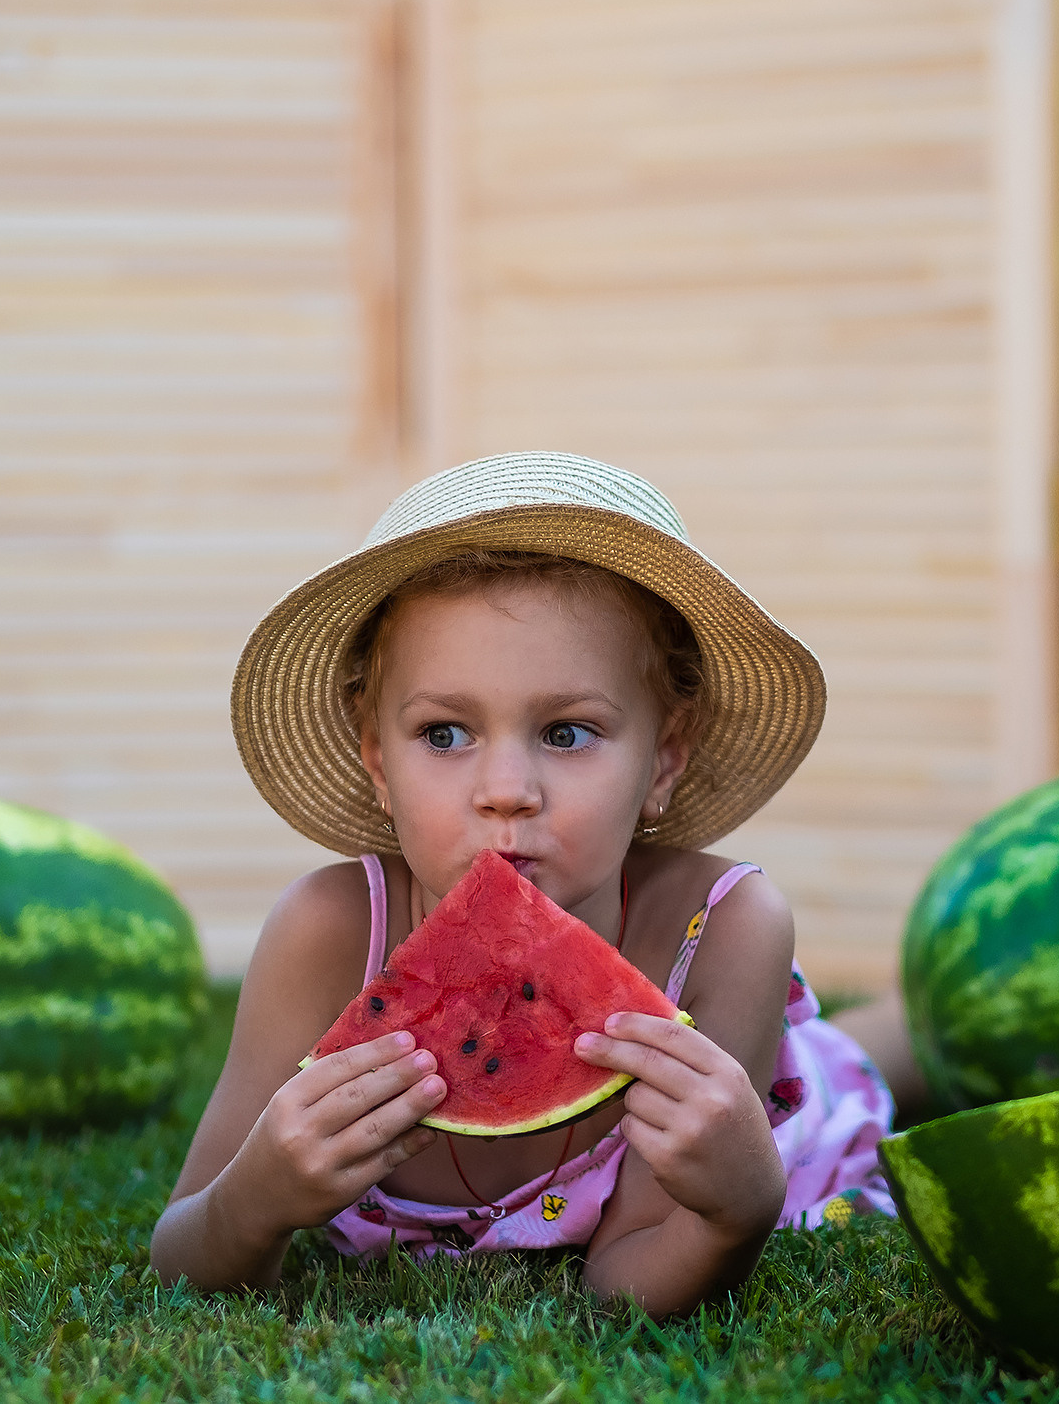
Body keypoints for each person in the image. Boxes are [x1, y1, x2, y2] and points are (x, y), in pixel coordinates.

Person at [150, 451, 911, 1315]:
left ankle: (909, 1036)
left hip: (766, 1110)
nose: (506, 787)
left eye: (566, 732)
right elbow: (183, 1247)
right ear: (377, 762)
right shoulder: (326, 934)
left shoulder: (728, 925)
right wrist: (255, 1200)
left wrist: (734, 1213)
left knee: (854, 1073)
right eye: (443, 734)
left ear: (664, 759)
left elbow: (622, 1280)